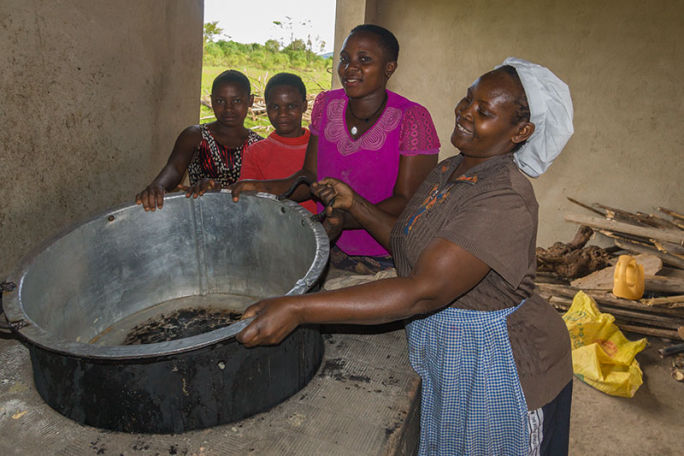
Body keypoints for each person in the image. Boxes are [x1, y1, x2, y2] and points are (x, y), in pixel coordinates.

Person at [235, 58, 575, 455]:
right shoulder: (453, 168)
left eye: (483, 112)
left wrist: (299, 308)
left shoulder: (504, 199)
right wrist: (356, 204)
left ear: (522, 131)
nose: (465, 113)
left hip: (495, 363)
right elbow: (407, 242)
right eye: (468, 99)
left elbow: (422, 291)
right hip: (448, 348)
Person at [221, 24, 441, 273]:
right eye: (345, 59)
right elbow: (309, 178)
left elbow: (407, 202)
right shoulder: (327, 105)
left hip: (385, 259)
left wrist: (342, 220)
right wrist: (258, 189)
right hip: (327, 248)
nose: (350, 68)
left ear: (389, 68)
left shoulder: (412, 119)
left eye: (364, 59)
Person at [135, 69, 263, 211]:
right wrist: (158, 185)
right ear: (212, 100)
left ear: (250, 101)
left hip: (245, 219)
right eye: (220, 101)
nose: (228, 108)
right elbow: (174, 168)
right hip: (200, 217)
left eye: (237, 100)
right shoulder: (195, 136)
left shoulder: (259, 145)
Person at [239, 72, 316, 213]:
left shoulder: (318, 146)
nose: (283, 113)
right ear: (266, 107)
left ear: (304, 106)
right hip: (272, 230)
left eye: (291, 106)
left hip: (317, 230)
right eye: (275, 107)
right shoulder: (255, 152)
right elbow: (249, 201)